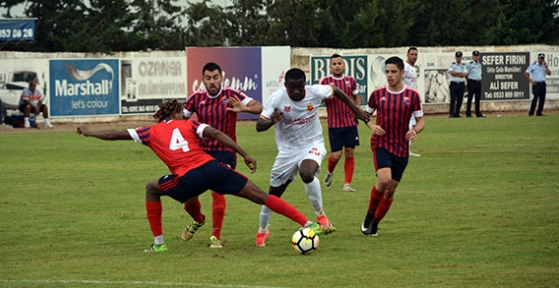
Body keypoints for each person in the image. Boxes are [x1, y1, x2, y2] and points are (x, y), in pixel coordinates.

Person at [77, 99, 326, 253]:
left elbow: (114, 134)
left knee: (153, 188)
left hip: (188, 176)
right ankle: (307, 223)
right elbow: (216, 134)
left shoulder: (148, 132)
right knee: (260, 195)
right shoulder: (189, 125)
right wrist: (245, 153)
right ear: (175, 115)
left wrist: (89, 132)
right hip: (213, 167)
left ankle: (159, 244)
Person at [255, 68, 370, 247]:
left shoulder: (314, 92)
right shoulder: (277, 98)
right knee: (273, 195)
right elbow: (258, 126)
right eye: (291, 88)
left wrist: (356, 110)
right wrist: (272, 121)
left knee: (307, 173)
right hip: (287, 151)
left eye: (299, 87)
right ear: (285, 86)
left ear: (304, 84)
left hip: (312, 144)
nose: (295, 91)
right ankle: (262, 230)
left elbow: (336, 90)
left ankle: (321, 217)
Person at [182, 62, 263, 248]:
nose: (212, 82)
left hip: (225, 153)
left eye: (215, 77)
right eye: (208, 78)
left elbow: (259, 107)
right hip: (201, 154)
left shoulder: (232, 95)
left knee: (218, 190)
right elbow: (180, 121)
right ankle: (198, 219)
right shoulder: (196, 98)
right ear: (202, 80)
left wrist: (244, 109)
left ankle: (215, 236)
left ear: (221, 78)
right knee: (189, 197)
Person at [360, 56, 425, 236]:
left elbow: (421, 121)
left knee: (390, 191)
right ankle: (369, 214)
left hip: (402, 148)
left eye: (393, 72)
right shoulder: (378, 94)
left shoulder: (412, 96)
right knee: (384, 180)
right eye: (387, 71)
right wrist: (372, 126)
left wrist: (415, 131)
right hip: (381, 143)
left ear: (402, 73)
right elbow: (366, 115)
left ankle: (375, 222)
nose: (389, 75)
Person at [319, 54, 361, 192]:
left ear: (343, 65)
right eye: (334, 64)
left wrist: (356, 112)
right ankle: (329, 173)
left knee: (350, 152)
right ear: (330, 67)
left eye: (339, 63)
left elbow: (356, 98)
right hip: (334, 124)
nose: (337, 66)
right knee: (336, 155)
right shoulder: (325, 81)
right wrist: (325, 97)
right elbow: (319, 100)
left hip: (350, 123)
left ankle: (347, 184)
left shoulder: (350, 81)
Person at [403, 47, 421, 157]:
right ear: (407, 55)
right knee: (408, 125)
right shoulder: (405, 67)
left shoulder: (413, 69)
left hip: (412, 101)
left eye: (415, 54)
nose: (414, 56)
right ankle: (405, 150)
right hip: (405, 101)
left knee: (411, 125)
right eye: (412, 54)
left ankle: (406, 149)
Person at [466, 50, 485, 118]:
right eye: (475, 56)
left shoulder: (479, 65)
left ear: (479, 57)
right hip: (472, 82)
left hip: (478, 82)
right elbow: (466, 74)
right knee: (470, 98)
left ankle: (477, 112)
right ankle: (468, 113)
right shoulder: (470, 64)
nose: (476, 57)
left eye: (477, 56)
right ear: (472, 57)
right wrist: (469, 80)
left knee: (477, 98)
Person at [448, 51, 467, 118]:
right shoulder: (452, 65)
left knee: (460, 99)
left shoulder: (463, 65)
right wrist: (460, 74)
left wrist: (456, 74)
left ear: (461, 58)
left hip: (461, 84)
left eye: (460, 57)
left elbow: (465, 74)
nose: (458, 59)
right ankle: (451, 113)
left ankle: (457, 113)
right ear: (455, 58)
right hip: (454, 84)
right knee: (453, 99)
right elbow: (452, 73)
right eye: (457, 57)